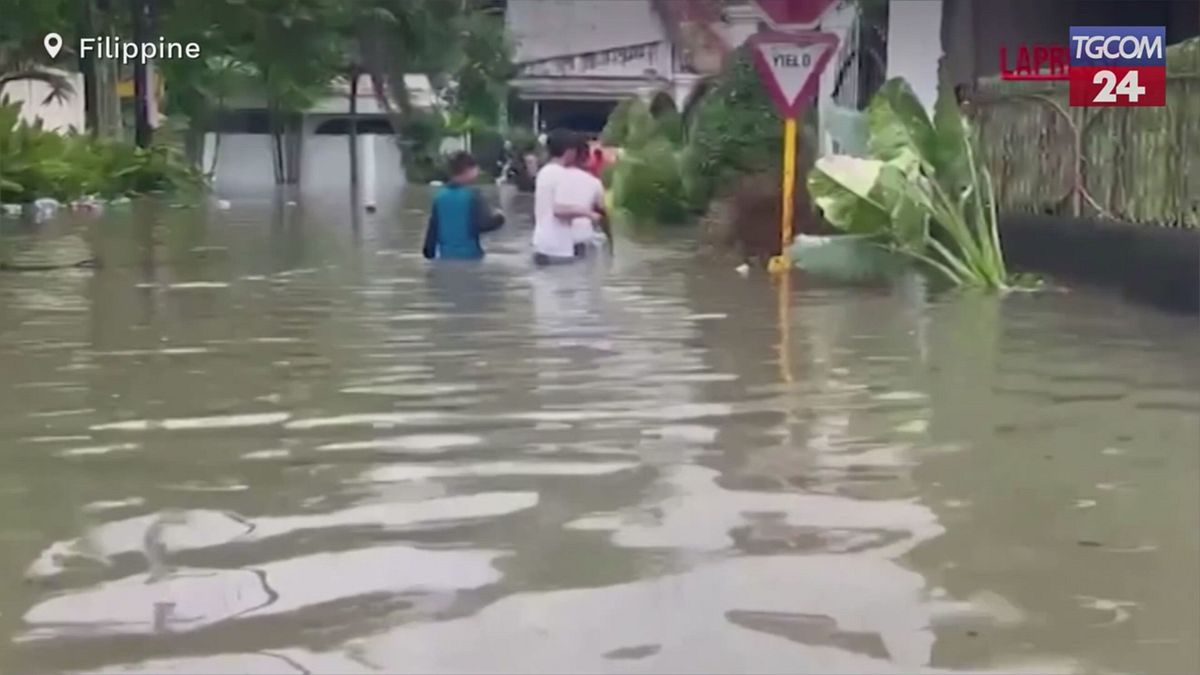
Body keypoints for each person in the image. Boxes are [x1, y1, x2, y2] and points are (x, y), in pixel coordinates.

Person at [532, 129, 602, 265]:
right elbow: (559, 211)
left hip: (541, 244)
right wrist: (588, 213)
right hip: (558, 247)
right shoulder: (560, 174)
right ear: (569, 151)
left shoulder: (545, 172)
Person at [423, 151, 505, 261]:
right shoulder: (473, 196)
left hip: (445, 258)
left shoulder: (439, 197)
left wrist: (430, 256)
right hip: (471, 258)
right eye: (475, 168)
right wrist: (500, 217)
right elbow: (484, 224)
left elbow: (431, 238)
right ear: (468, 170)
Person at [557, 136, 609, 257]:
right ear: (587, 157)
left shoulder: (555, 177)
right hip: (583, 236)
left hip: (557, 239)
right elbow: (602, 212)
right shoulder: (594, 182)